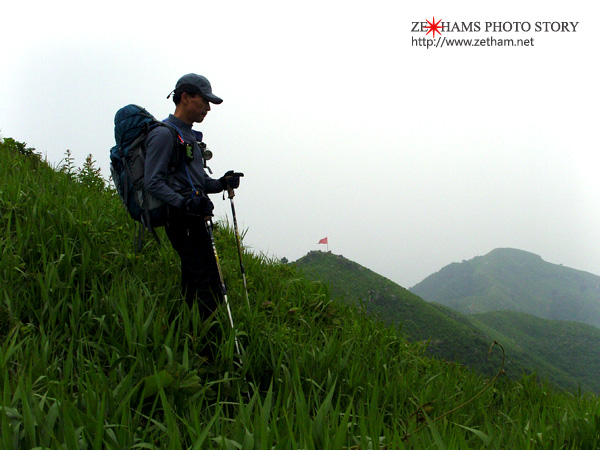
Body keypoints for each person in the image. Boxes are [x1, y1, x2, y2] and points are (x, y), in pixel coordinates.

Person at [145, 73, 242, 320]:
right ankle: (211, 350)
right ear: (185, 97)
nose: (208, 108)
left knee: (193, 280)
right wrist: (185, 202)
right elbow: (152, 181)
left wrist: (221, 183)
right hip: (181, 219)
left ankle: (185, 334)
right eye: (204, 101)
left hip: (193, 216)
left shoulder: (189, 137)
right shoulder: (164, 134)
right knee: (210, 283)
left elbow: (197, 181)